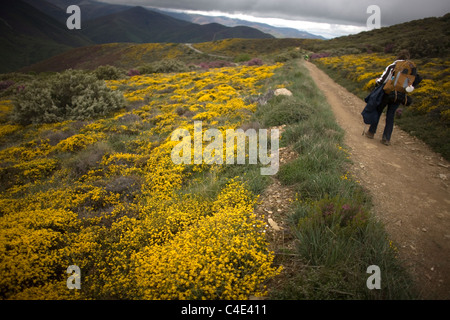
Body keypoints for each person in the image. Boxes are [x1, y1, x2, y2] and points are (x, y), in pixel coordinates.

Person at [365, 50, 420, 145]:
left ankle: (371, 132)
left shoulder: (394, 65)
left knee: (378, 111)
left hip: (387, 93)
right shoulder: (411, 68)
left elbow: (383, 79)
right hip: (400, 95)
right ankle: (386, 139)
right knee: (390, 115)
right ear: (408, 57)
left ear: (398, 56)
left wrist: (377, 81)